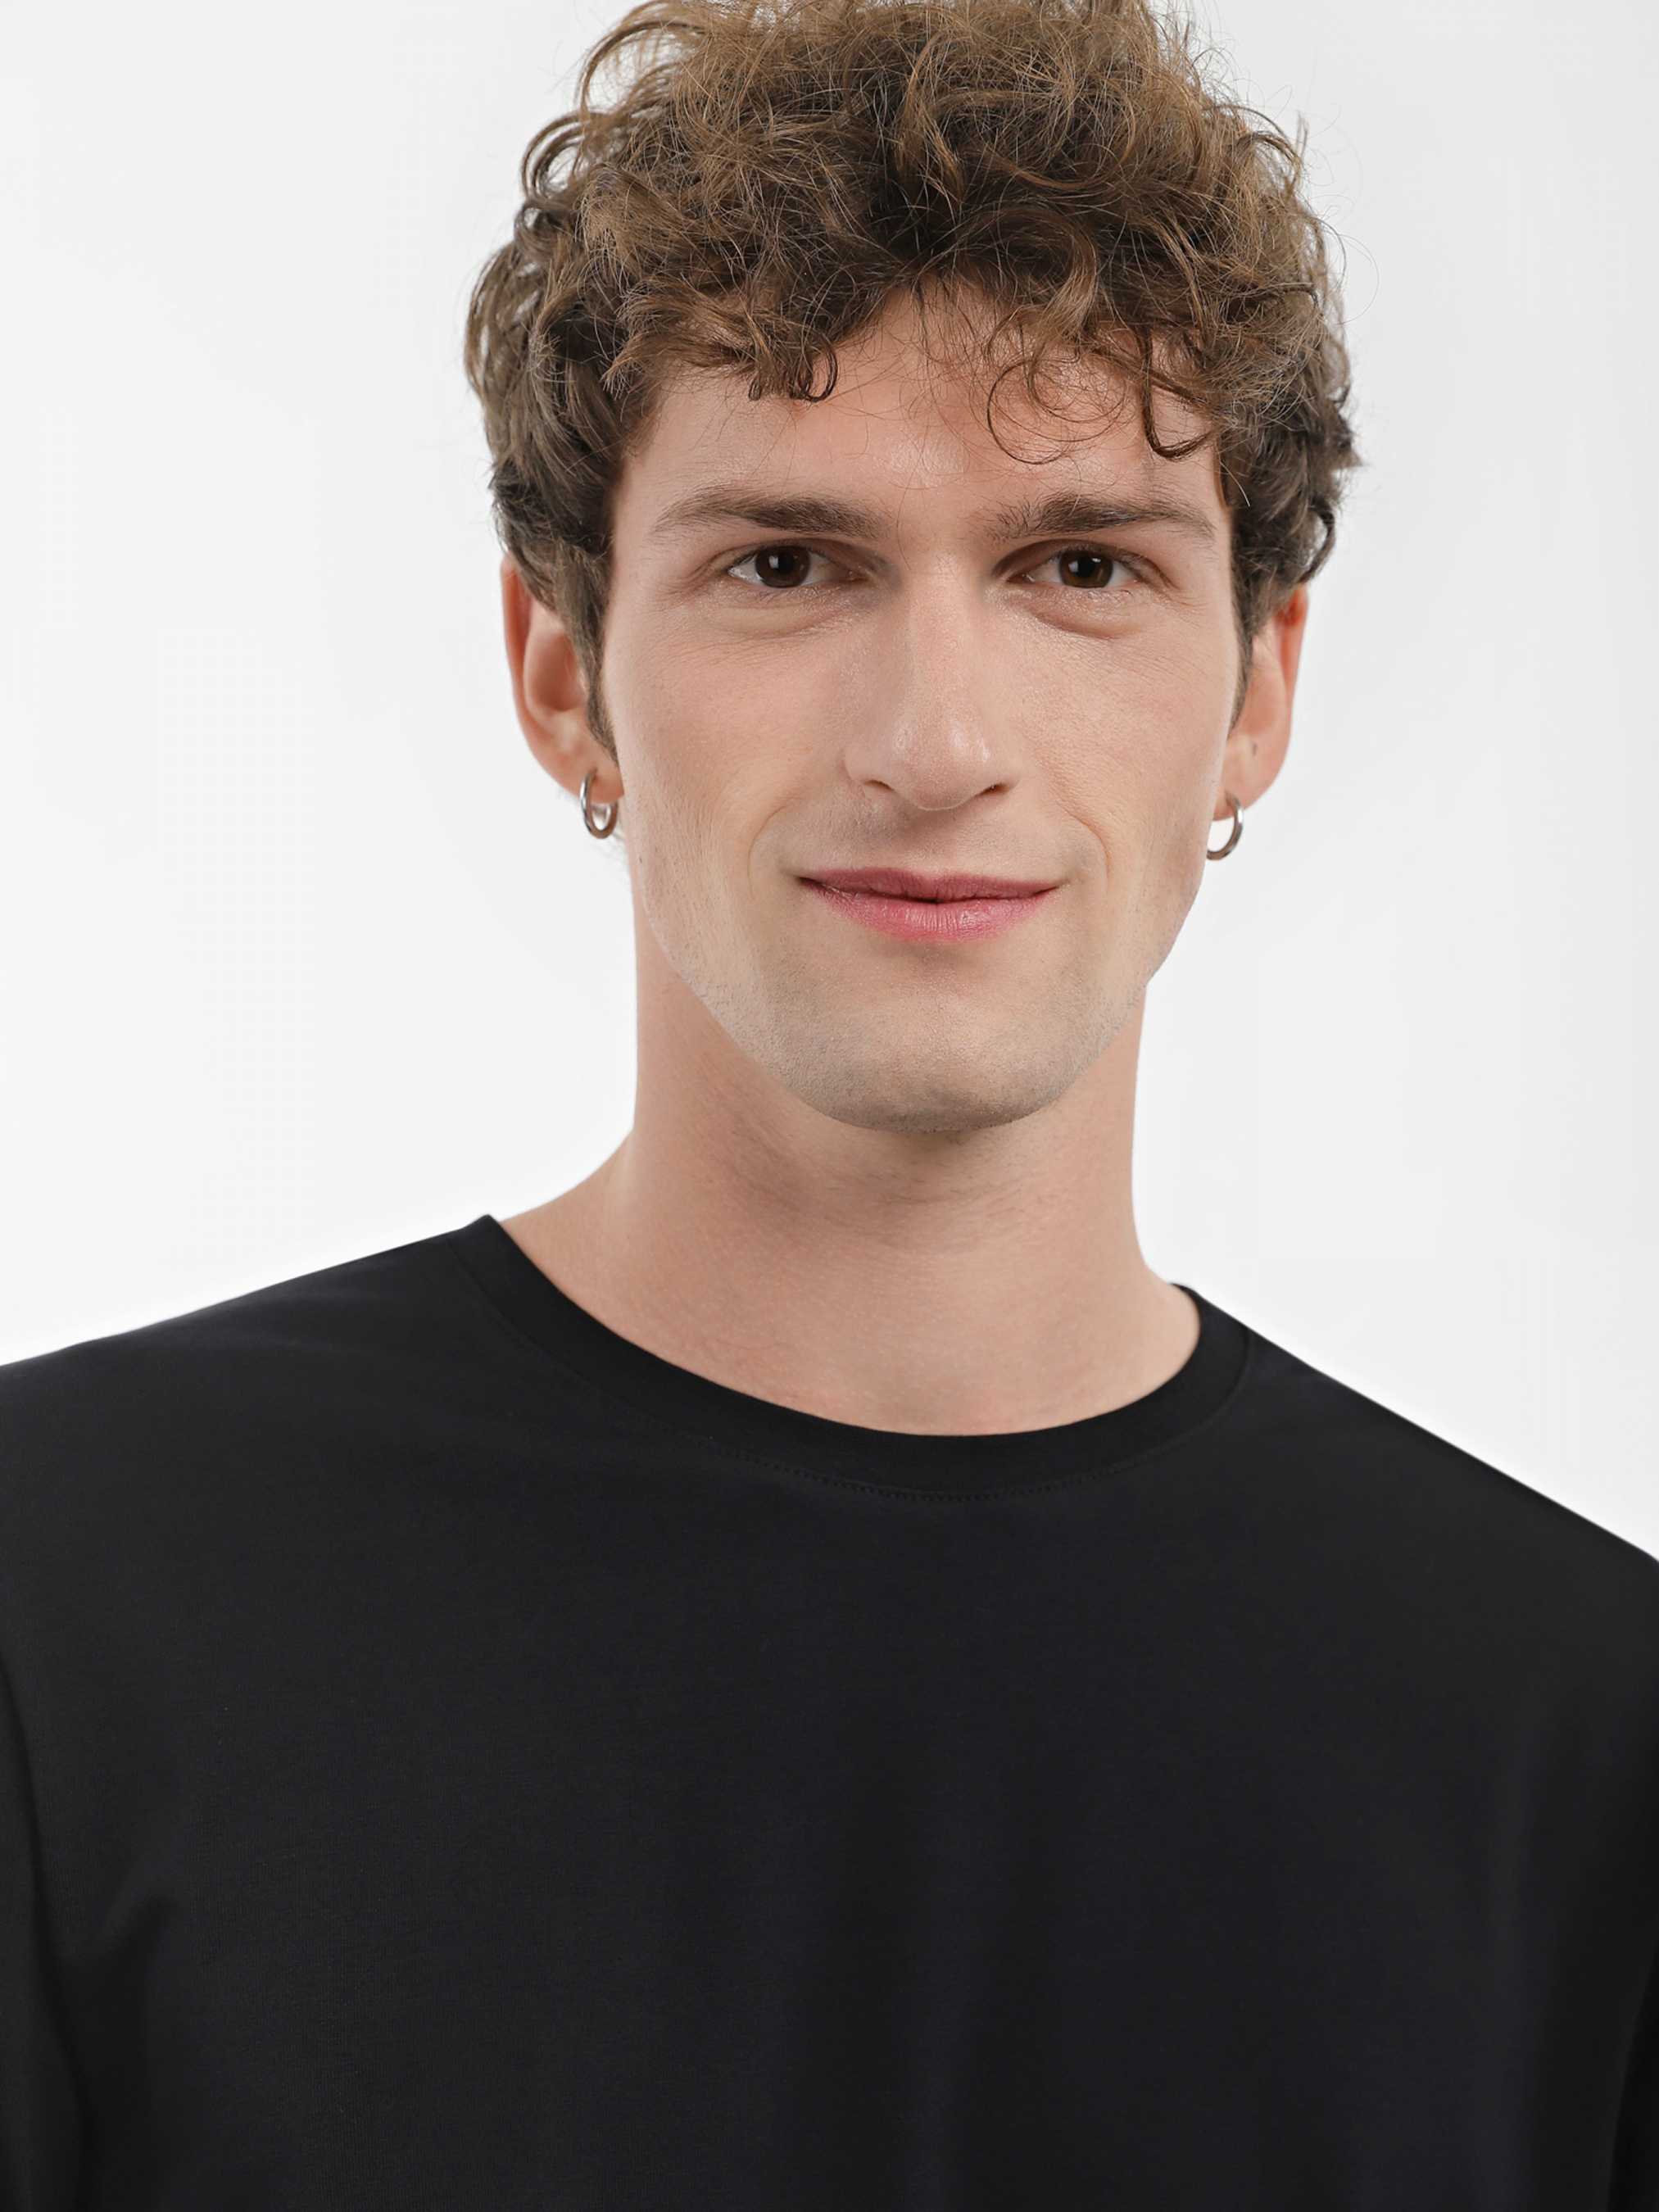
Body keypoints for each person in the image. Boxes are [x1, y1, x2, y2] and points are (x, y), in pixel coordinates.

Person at [2, 0, 1655, 2200]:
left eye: (1081, 567)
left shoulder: (1585, 1744)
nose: (934, 740)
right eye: (785, 565)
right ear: (566, 673)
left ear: (1258, 691)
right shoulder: (61, 1603)